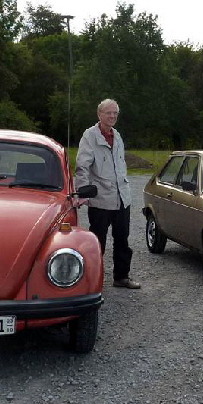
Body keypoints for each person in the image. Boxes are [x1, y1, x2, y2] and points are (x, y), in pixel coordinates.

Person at [75, 98, 141, 289]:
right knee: (97, 243)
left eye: (115, 113)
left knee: (122, 239)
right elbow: (82, 167)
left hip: (122, 198)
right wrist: (83, 192)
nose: (112, 116)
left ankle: (121, 277)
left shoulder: (117, 135)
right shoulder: (89, 136)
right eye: (108, 113)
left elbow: (120, 165)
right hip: (101, 200)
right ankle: (92, 281)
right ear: (99, 114)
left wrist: (126, 193)